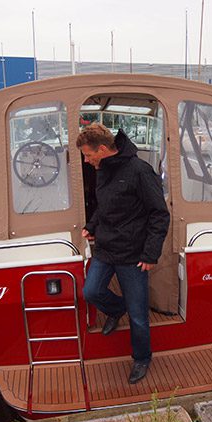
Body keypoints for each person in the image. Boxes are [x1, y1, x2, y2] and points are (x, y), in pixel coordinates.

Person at [77, 123, 170, 384]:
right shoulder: (103, 169)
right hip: (106, 248)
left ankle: (142, 358)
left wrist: (151, 254)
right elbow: (104, 206)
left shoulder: (140, 171)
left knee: (139, 316)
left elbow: (160, 215)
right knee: (91, 292)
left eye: (88, 155)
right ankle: (117, 309)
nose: (86, 160)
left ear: (103, 149)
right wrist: (92, 226)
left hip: (133, 254)